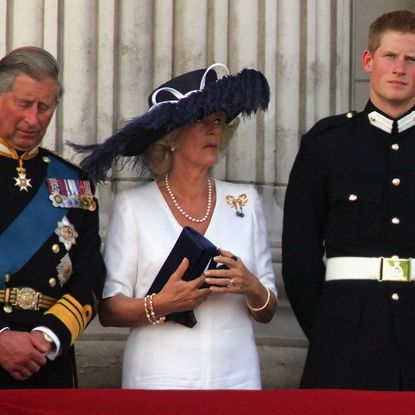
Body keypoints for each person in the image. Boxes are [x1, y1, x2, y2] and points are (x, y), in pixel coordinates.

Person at [74, 63, 277, 389]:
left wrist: (251, 285)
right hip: (159, 377)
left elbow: (267, 309)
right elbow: (109, 309)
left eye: (219, 121)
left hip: (236, 378)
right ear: (171, 137)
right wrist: (162, 304)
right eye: (202, 120)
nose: (214, 130)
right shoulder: (134, 206)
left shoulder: (245, 200)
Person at [282, 9, 415, 390]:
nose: (400, 68)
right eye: (390, 56)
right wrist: (329, 329)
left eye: (411, 59)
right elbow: (300, 260)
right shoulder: (327, 144)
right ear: (368, 60)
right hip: (345, 337)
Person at [0, 46, 105, 388]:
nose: (34, 119)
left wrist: (48, 337)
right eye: (24, 104)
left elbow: (90, 275)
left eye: (44, 107)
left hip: (44, 361)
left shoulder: (73, 182)